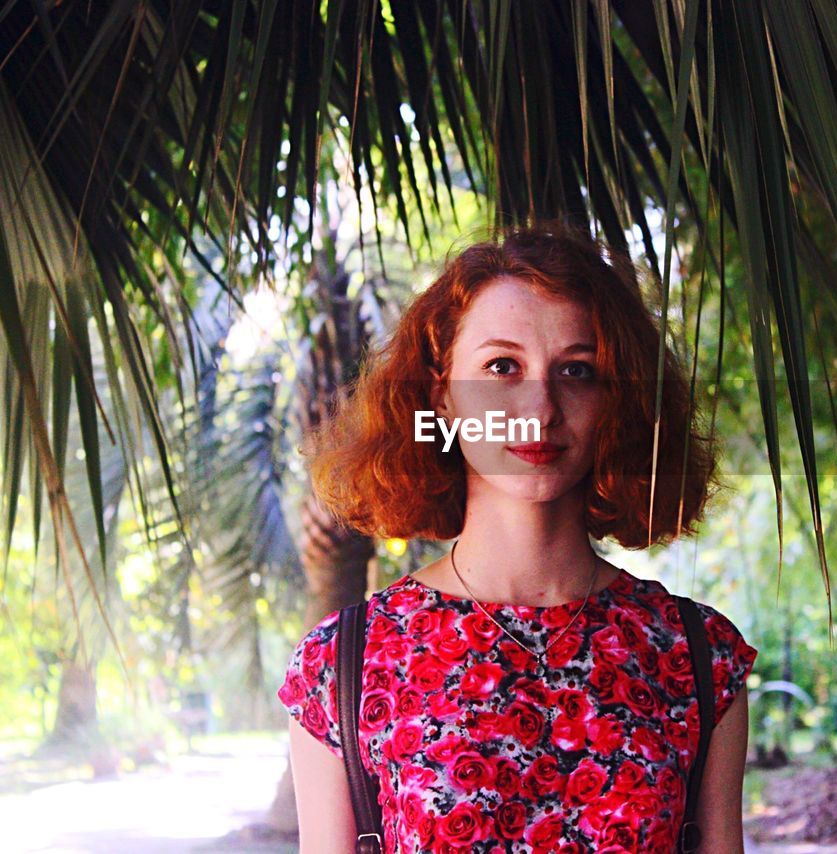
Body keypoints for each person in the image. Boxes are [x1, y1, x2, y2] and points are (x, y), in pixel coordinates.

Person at [278, 221, 759, 853]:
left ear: (616, 403)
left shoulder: (696, 657)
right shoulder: (343, 666)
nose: (540, 408)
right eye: (502, 366)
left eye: (578, 371)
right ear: (441, 395)